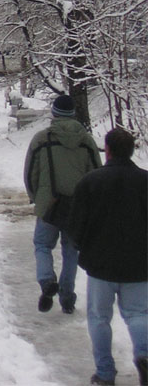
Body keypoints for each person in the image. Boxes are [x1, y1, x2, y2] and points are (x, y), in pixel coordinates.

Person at [69, 127, 147, 386]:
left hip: (100, 263)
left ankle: (105, 373)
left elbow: (77, 224)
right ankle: (145, 355)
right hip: (139, 264)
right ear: (132, 150)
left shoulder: (91, 182)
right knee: (138, 314)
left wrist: (82, 246)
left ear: (108, 150)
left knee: (99, 318)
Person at [23, 94, 102, 314]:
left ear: (54, 113)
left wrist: (35, 196)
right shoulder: (86, 141)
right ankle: (68, 296)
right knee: (71, 250)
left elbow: (31, 172)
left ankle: (47, 280)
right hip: (78, 205)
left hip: (49, 203)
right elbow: (96, 171)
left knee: (42, 245)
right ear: (73, 114)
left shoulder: (42, 139)